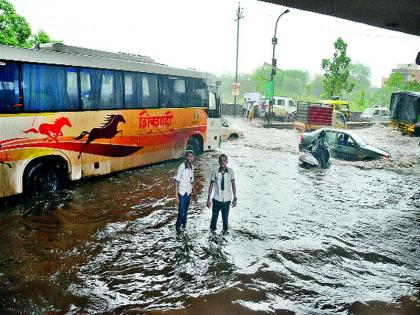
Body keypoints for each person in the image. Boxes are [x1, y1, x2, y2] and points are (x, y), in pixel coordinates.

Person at [207, 154, 237, 232]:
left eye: (224, 160)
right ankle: (212, 236)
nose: (222, 162)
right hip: (217, 199)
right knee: (214, 219)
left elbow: (233, 184)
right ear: (219, 162)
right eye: (221, 160)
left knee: (225, 221)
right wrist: (208, 199)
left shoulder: (230, 171)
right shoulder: (215, 172)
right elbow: (211, 186)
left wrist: (235, 198)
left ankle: (224, 238)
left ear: (227, 162)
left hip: (227, 200)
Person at [174, 150, 197, 232]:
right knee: (181, 213)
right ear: (186, 157)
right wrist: (176, 196)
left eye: (191, 156)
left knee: (186, 213)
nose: (190, 158)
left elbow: (191, 181)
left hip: (188, 193)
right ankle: (177, 230)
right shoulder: (182, 167)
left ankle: (184, 228)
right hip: (182, 193)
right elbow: (176, 181)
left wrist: (194, 194)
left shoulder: (192, 167)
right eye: (188, 156)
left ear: (193, 158)